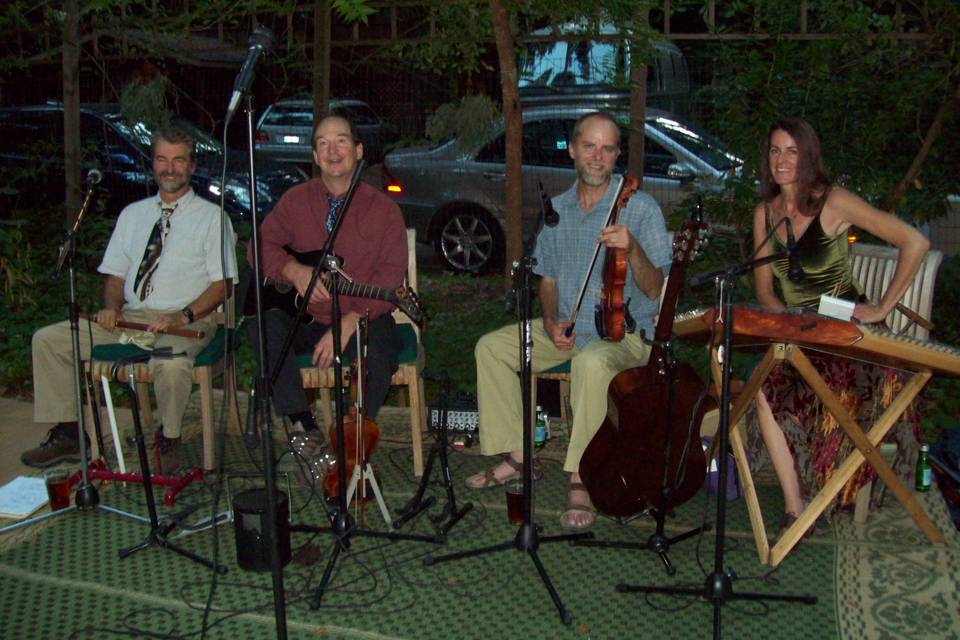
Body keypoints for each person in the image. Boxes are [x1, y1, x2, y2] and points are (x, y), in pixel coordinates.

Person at [466, 111, 673, 530]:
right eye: (590, 146)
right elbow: (548, 280)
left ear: (616, 155)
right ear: (574, 150)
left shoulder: (641, 208)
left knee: (591, 362)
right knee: (492, 348)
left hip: (626, 337)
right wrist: (548, 322)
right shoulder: (556, 211)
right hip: (569, 330)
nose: (598, 156)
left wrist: (631, 249)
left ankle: (582, 476)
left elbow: (656, 290)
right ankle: (521, 454)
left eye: (608, 148)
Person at [747, 117, 929, 539]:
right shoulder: (764, 214)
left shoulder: (833, 202)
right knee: (761, 387)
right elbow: (765, 291)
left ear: (808, 156)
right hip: (799, 337)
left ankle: (826, 486)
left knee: (823, 386)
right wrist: (789, 324)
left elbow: (914, 242)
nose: (781, 159)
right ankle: (797, 510)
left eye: (792, 151)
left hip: (847, 337)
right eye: (775, 150)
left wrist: (882, 305)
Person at [24, 126, 239, 474]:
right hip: (132, 318)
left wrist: (181, 316)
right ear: (152, 164)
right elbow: (115, 276)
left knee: (170, 363)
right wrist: (111, 307)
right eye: (162, 159)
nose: (170, 168)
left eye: (178, 160)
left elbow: (223, 285)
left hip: (187, 319)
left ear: (192, 166)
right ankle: (68, 433)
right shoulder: (133, 215)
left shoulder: (212, 218)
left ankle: (168, 437)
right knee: (49, 340)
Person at [248, 114, 406, 482]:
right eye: (323, 143)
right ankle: (306, 432)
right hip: (307, 317)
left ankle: (349, 441)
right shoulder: (295, 201)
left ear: (358, 150)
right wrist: (292, 271)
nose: (333, 151)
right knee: (262, 326)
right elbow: (259, 245)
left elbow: (390, 276)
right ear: (315, 156)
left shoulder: (384, 210)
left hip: (361, 317)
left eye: (341, 141)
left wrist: (354, 319)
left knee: (380, 350)